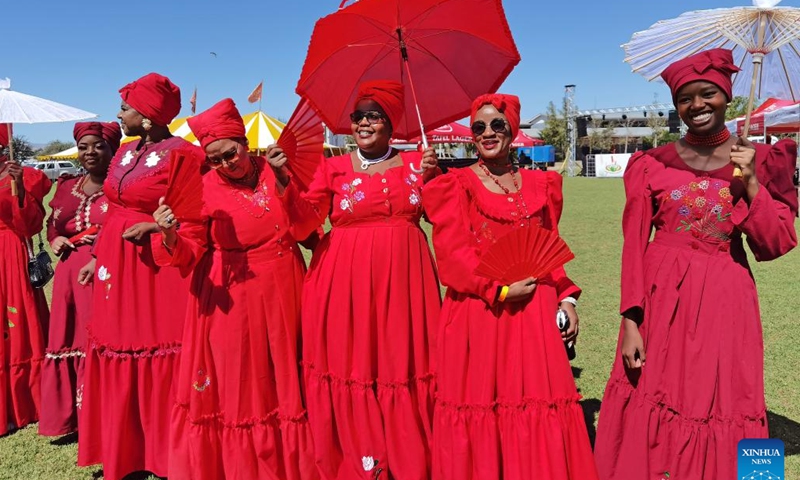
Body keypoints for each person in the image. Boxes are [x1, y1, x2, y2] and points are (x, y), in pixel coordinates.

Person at [594, 49, 798, 480]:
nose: (697, 105)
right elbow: (634, 245)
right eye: (686, 99)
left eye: (708, 94)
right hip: (660, 298)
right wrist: (631, 320)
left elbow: (776, 243)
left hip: (727, 298)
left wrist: (754, 183)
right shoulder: (650, 163)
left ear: (726, 98)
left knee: (732, 395)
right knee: (652, 388)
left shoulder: (760, 160)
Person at [422, 93, 599, 480]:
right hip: (481, 311)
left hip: (535, 312)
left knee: (535, 401)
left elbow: (549, 247)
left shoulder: (543, 184)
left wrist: (567, 299)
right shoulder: (457, 184)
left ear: (512, 130)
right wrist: (499, 291)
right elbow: (453, 257)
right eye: (479, 127)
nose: (488, 133)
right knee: (483, 401)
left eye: (497, 125)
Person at [150, 98, 318, 480]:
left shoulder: (277, 169)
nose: (227, 164)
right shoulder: (201, 188)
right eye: (216, 159)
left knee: (289, 368)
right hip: (234, 294)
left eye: (231, 153)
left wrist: (285, 181)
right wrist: (169, 233)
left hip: (288, 283)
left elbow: (307, 229)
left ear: (245, 143)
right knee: (248, 378)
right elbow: (189, 250)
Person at [289, 80, 441, 479]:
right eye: (358, 116)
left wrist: (435, 179)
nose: (364, 123)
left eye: (374, 115)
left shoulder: (416, 164)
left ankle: (405, 456)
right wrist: (285, 185)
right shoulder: (332, 167)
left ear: (391, 124)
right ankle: (360, 456)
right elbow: (305, 221)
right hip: (343, 282)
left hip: (406, 282)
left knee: (400, 360)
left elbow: (441, 219)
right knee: (352, 363)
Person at [76, 73, 200, 480]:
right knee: (114, 346)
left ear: (147, 116)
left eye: (126, 107)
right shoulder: (125, 152)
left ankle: (163, 455)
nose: (119, 114)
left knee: (154, 348)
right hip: (116, 263)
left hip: (156, 267)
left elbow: (197, 216)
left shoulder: (184, 154)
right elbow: (113, 206)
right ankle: (124, 451)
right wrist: (98, 254)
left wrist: (153, 227)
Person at [39, 121, 121, 437]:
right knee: (69, 338)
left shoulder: (121, 187)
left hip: (106, 271)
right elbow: (53, 224)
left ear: (112, 150)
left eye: (98, 146)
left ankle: (103, 415)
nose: (89, 152)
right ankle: (71, 417)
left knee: (98, 339)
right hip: (68, 275)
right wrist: (55, 239)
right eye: (84, 147)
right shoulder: (65, 186)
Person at [0, 128, 51, 437]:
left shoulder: (24, 175)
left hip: (9, 252)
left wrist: (18, 186)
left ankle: (26, 402)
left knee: (18, 321)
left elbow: (30, 225)